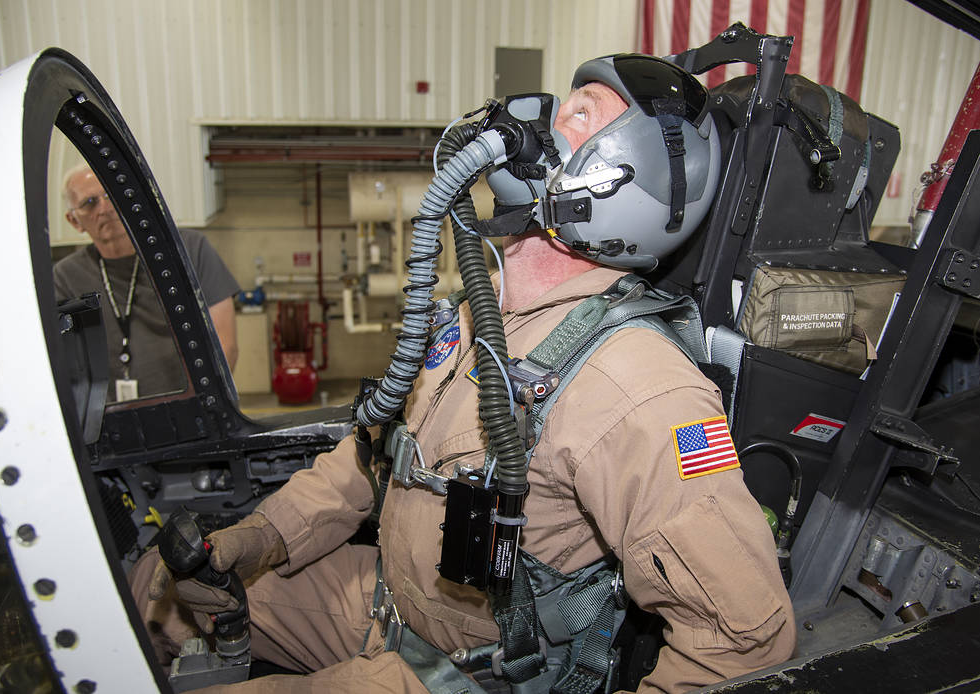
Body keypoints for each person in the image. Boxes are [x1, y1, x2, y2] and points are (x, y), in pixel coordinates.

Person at [133, 54, 795, 693]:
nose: (531, 127)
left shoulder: (634, 386)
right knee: (152, 589)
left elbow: (742, 638)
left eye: (576, 115)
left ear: (620, 173)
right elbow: (371, 459)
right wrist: (263, 536)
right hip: (391, 607)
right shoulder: (472, 317)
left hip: (477, 671)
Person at [53, 164, 240, 402]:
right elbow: (71, 365)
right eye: (90, 203)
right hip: (116, 423)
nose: (105, 208)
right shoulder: (67, 276)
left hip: (194, 412)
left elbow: (225, 346)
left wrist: (197, 408)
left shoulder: (189, 251)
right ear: (74, 221)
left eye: (111, 195)